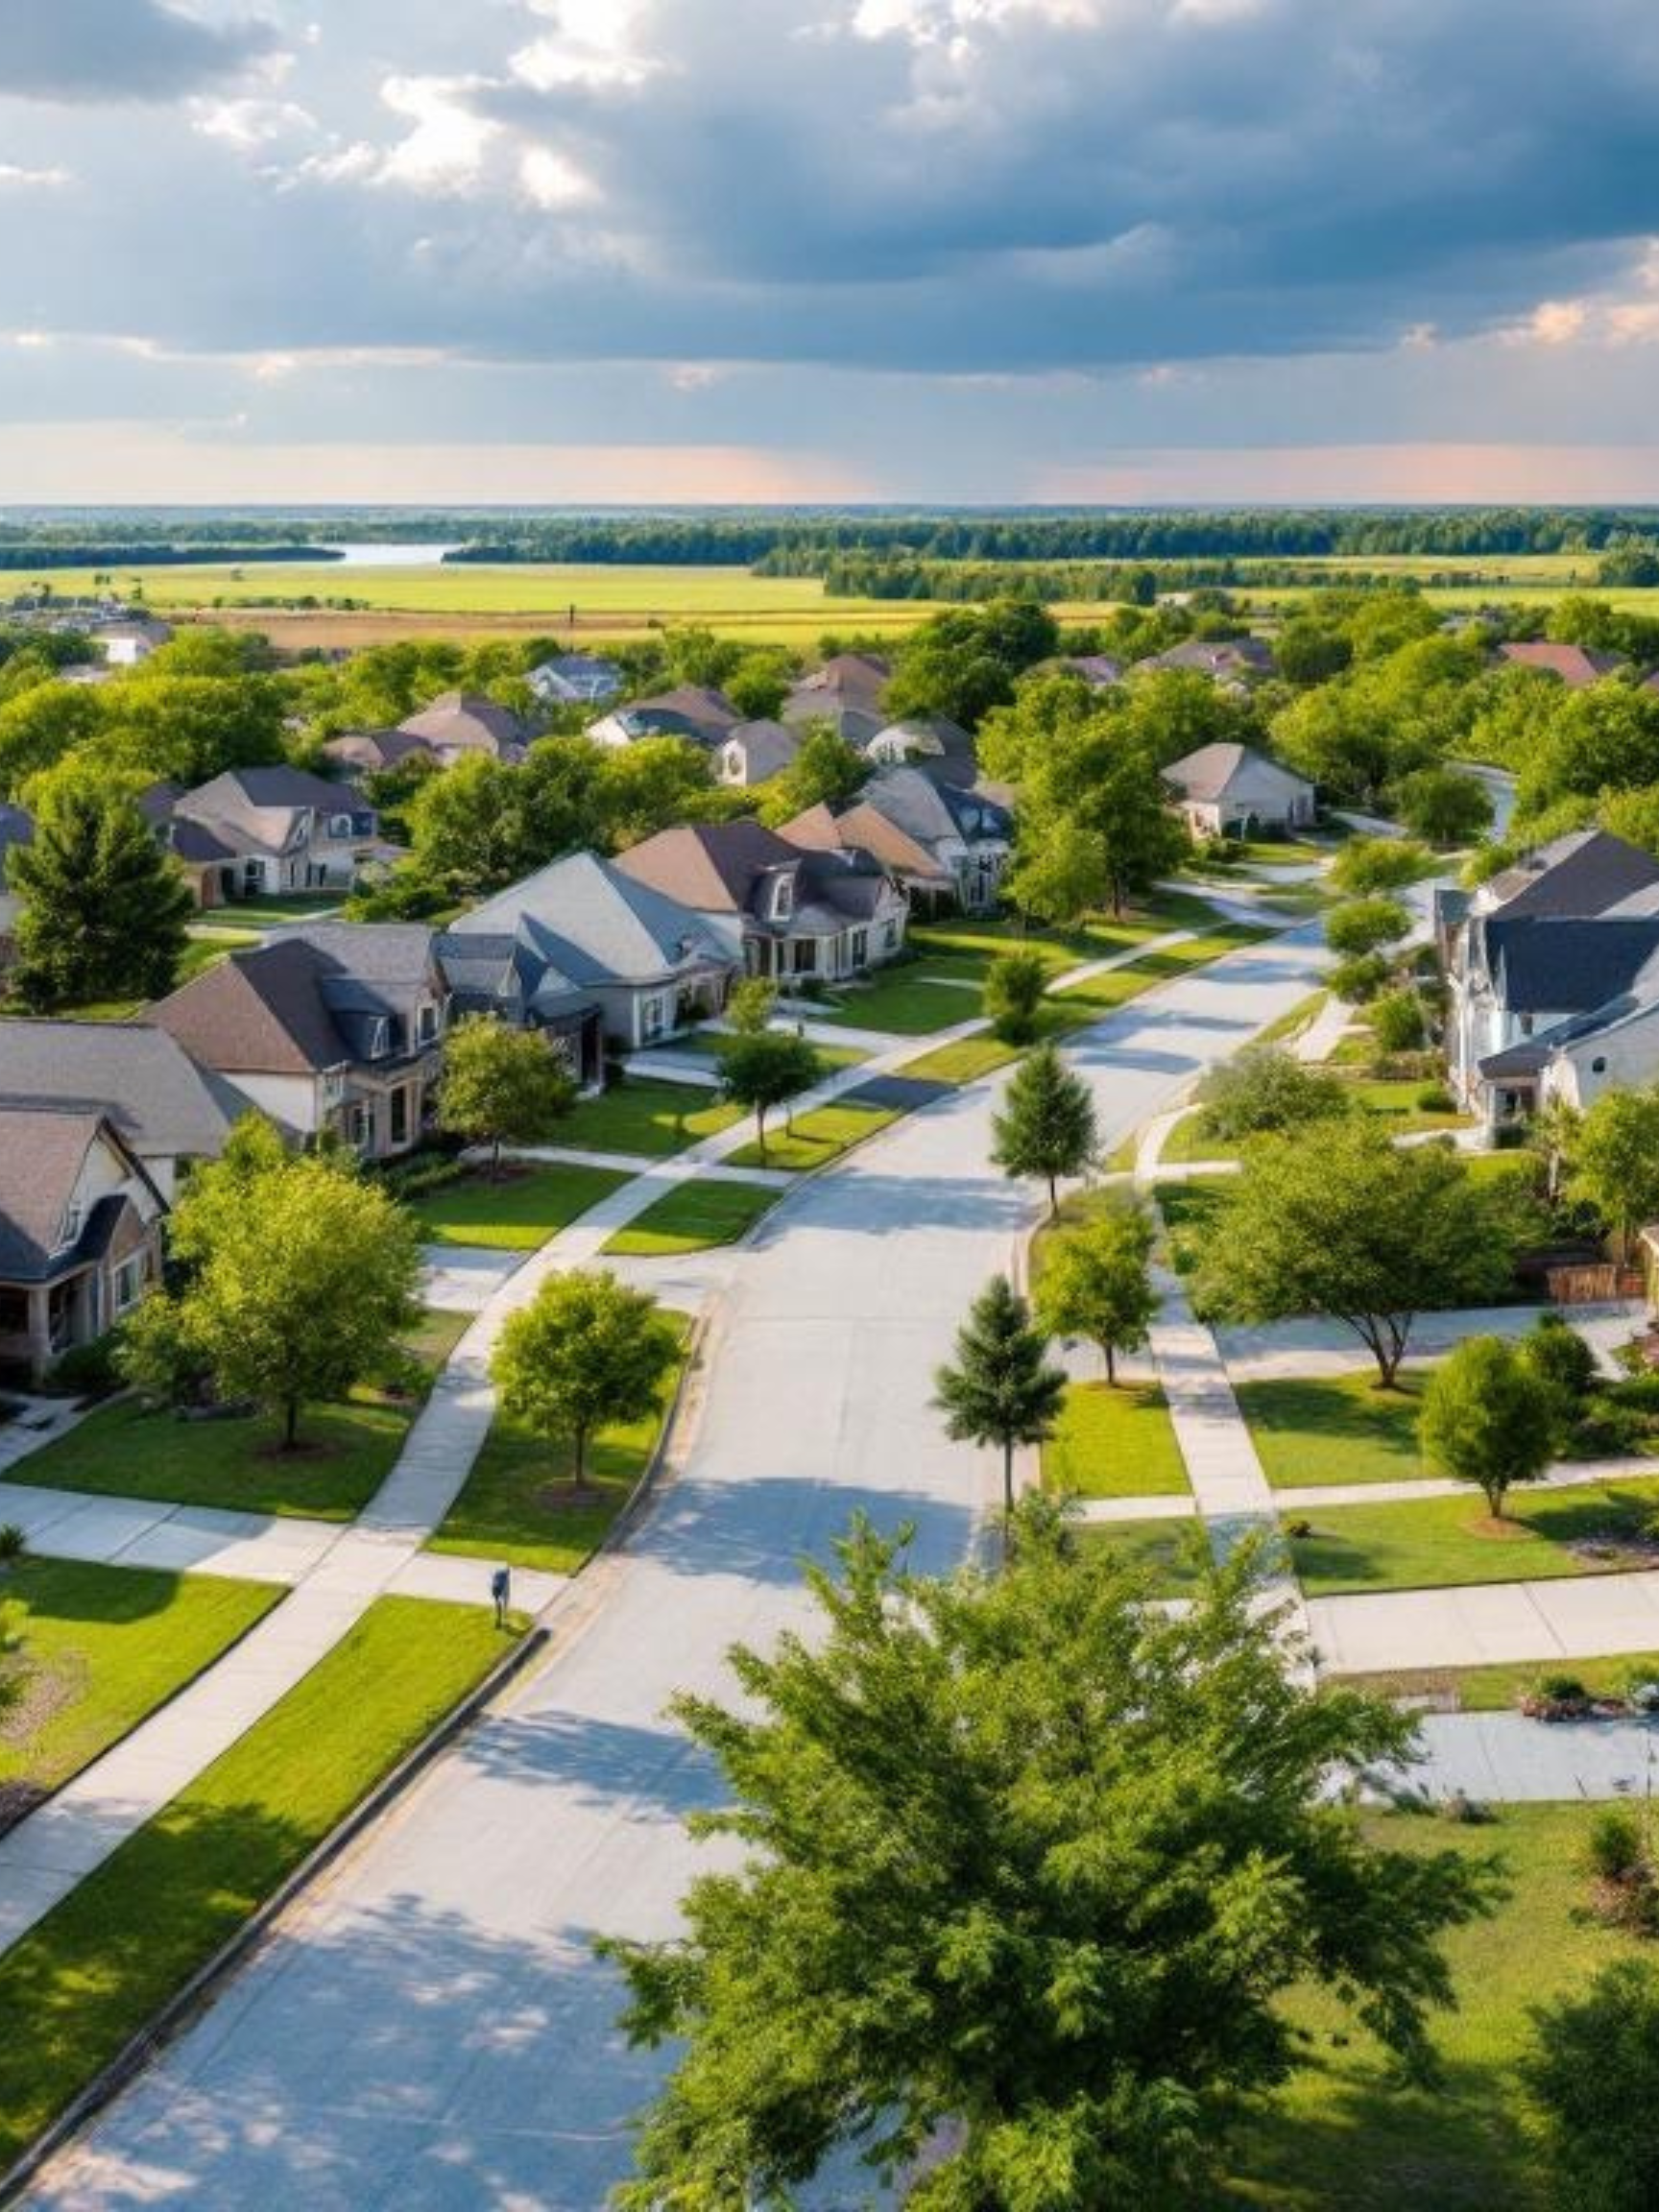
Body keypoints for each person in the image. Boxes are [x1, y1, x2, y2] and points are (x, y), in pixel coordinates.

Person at [491, 1563, 511, 1627]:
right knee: (501, 1605)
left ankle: (499, 1621)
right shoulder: (505, 1577)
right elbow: (506, 1589)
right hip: (498, 1589)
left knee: (498, 1605)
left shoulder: (497, 1574)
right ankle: (501, 1621)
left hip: (495, 1589)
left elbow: (494, 1583)